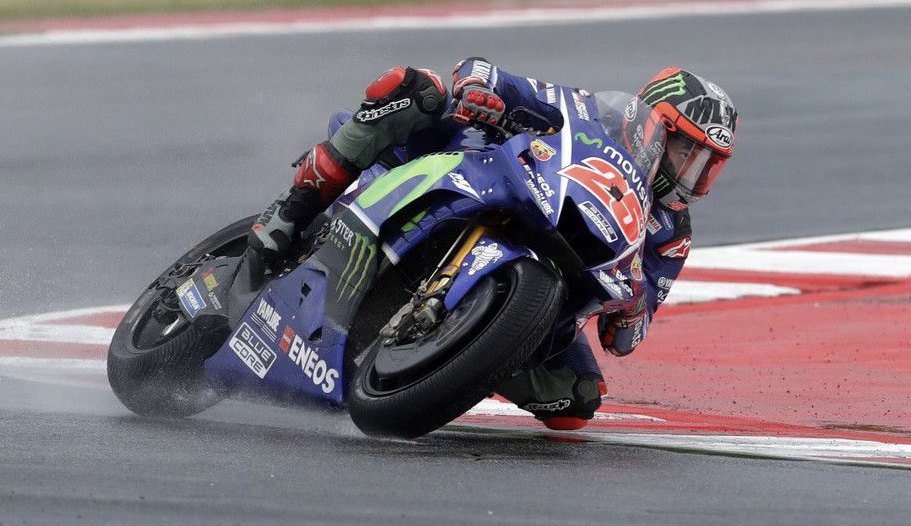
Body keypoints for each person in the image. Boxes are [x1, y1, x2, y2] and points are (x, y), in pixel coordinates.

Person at [248, 58, 738, 430]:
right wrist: (480, 90)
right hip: (487, 178)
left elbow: (626, 337)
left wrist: (631, 310)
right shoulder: (588, 111)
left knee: (576, 400)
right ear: (654, 123)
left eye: (707, 165)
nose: (691, 173)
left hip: (559, 276)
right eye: (686, 151)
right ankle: (292, 210)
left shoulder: (672, 236)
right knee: (420, 90)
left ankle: (461, 356)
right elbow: (483, 71)